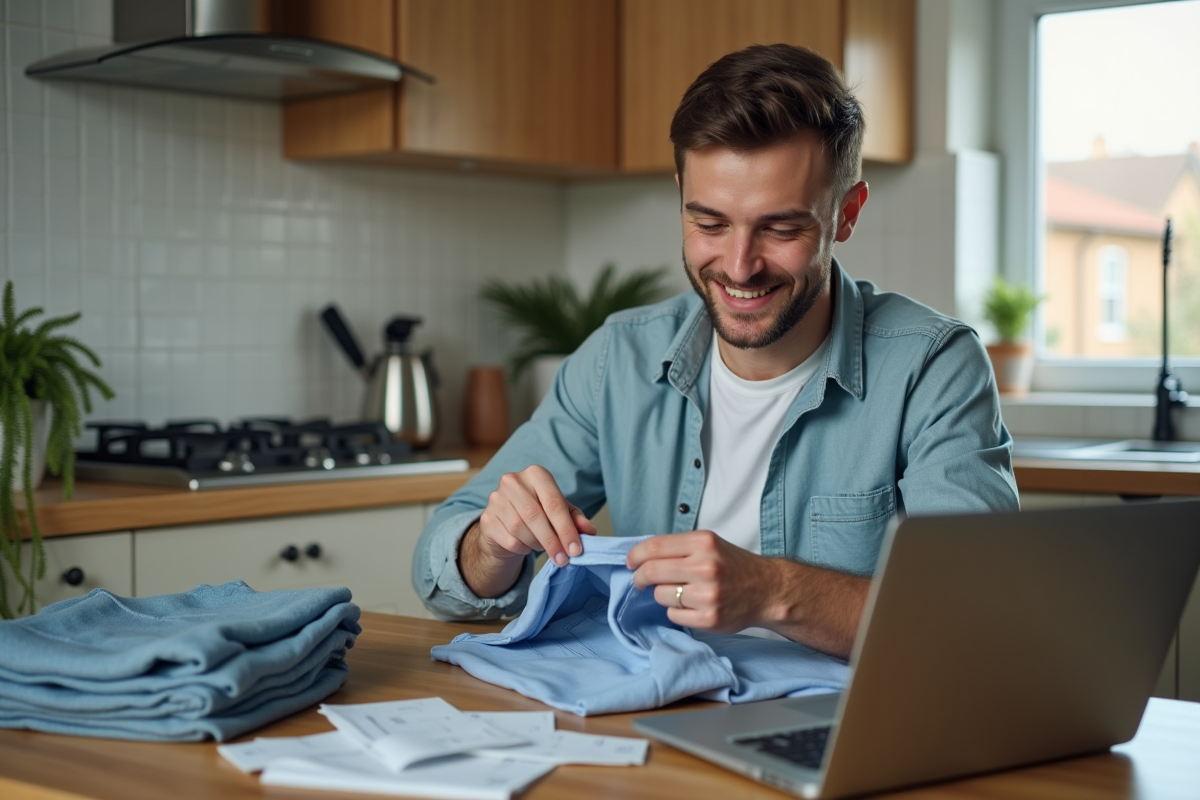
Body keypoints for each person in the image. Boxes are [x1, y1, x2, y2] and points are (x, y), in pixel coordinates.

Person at [413, 43, 1019, 659]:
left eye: (781, 228)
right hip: (662, 704)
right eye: (709, 224)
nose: (738, 266)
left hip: (839, 714)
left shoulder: (932, 366)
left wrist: (773, 592)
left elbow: (981, 614)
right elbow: (440, 575)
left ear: (846, 213)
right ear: (681, 195)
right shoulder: (618, 359)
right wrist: (493, 545)